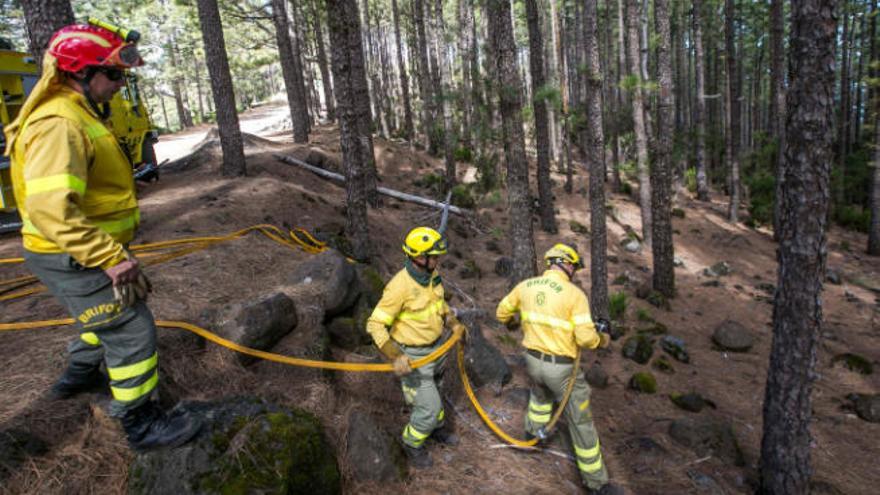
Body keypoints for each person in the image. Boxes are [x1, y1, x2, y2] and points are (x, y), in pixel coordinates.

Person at [4, 23, 200, 450]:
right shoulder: (60, 124)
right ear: (80, 71)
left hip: (75, 249)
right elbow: (51, 208)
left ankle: (78, 375)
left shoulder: (76, 112)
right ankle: (140, 422)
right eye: (112, 74)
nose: (119, 83)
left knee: (100, 318)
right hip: (75, 253)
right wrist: (109, 257)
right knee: (130, 327)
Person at [496, 243, 621, 495]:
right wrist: (602, 339)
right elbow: (585, 339)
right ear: (565, 263)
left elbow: (501, 313)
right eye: (574, 266)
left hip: (532, 362)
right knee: (581, 421)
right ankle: (596, 483)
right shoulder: (574, 295)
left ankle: (533, 435)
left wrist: (515, 323)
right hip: (562, 369)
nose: (574, 271)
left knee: (540, 398)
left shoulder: (525, 286)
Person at [366, 226, 466, 468]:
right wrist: (395, 356)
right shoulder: (399, 287)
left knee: (437, 391)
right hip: (414, 357)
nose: (438, 260)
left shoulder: (432, 275)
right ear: (420, 257)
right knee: (429, 407)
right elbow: (375, 325)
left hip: (436, 349)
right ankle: (411, 443)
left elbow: (439, 304)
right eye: (434, 256)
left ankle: (435, 429)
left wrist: (453, 322)